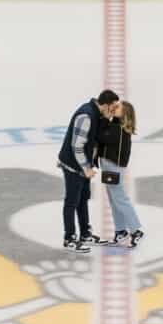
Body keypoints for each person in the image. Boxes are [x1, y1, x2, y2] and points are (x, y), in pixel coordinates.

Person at [58, 89, 119, 252]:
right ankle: (69, 238)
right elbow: (77, 146)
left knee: (83, 197)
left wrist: (107, 119)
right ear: (105, 105)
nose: (113, 111)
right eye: (112, 108)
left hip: (84, 165)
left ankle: (85, 233)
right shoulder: (86, 116)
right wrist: (86, 168)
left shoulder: (98, 114)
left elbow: (97, 138)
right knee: (71, 201)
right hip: (73, 165)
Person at [97, 100, 144, 248]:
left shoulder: (118, 129)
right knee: (114, 200)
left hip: (113, 167)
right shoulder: (117, 126)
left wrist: (105, 117)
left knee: (120, 199)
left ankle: (136, 230)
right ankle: (120, 231)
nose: (114, 108)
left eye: (117, 107)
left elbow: (101, 137)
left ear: (124, 112)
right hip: (109, 166)